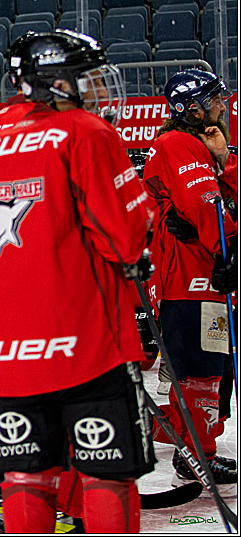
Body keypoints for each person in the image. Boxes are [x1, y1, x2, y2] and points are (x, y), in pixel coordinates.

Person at [0, 30, 156, 533]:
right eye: (87, 78)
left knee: (26, 480)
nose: (96, 89)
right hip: (88, 344)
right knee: (105, 476)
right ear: (56, 82)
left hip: (7, 352)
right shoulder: (87, 133)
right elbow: (125, 241)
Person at [143, 68, 237, 490]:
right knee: (200, 373)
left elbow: (227, 202)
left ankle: (198, 448)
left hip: (203, 278)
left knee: (215, 374)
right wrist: (231, 245)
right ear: (193, 109)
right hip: (189, 280)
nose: (225, 104)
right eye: (216, 99)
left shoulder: (199, 146)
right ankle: (197, 454)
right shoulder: (177, 143)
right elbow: (208, 209)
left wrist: (225, 159)